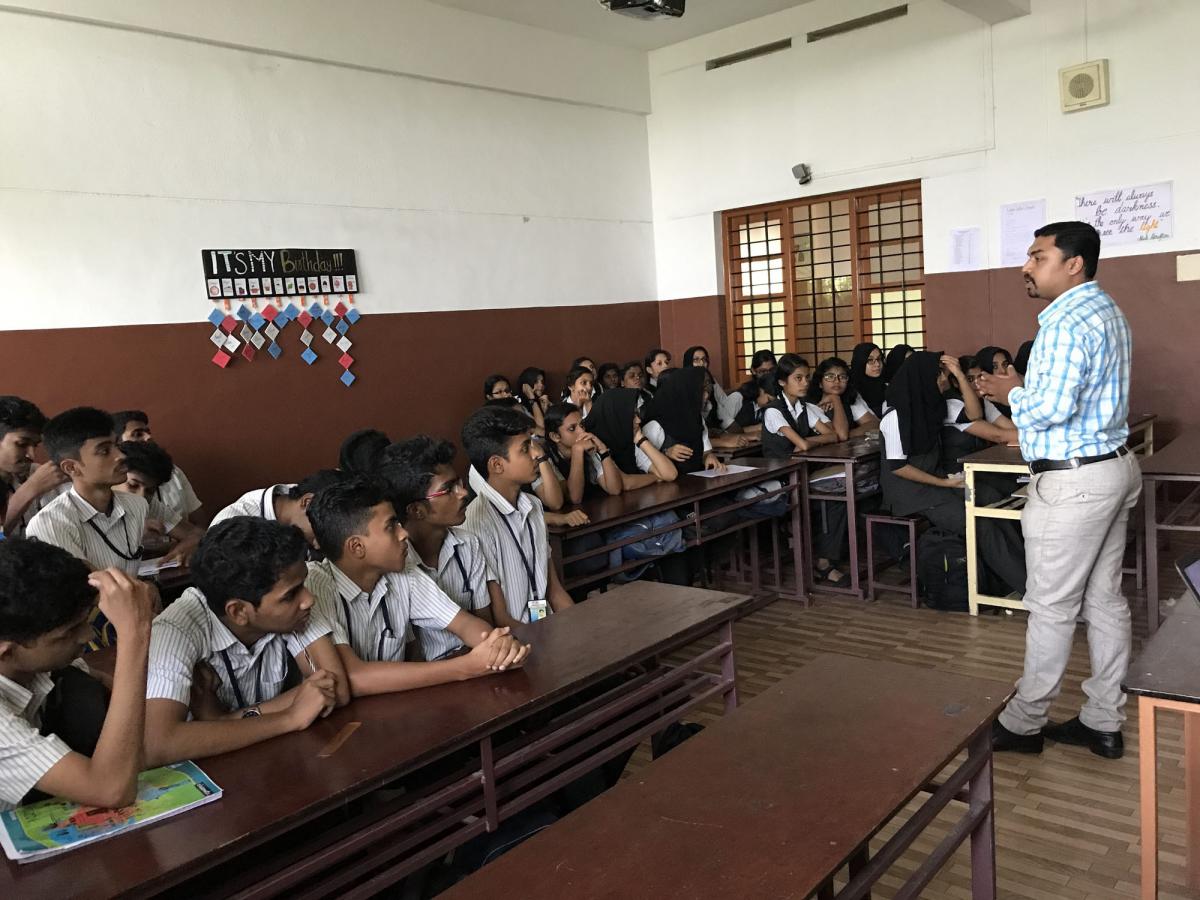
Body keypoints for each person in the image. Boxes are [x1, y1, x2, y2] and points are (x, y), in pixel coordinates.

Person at [980, 221, 1139, 760]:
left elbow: (1052, 408)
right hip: (1114, 467)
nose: (1026, 266)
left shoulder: (1066, 323)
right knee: (1105, 599)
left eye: (1037, 256)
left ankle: (1024, 723)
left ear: (1074, 264)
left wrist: (1012, 389)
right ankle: (1102, 720)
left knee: (1050, 606)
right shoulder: (1108, 310)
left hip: (1074, 481)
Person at [143, 517, 347, 765]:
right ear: (238, 612)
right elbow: (157, 744)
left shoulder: (294, 611)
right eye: (291, 595)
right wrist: (289, 717)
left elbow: (336, 687)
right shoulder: (175, 631)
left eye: (303, 585)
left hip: (274, 761)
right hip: (209, 773)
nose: (308, 599)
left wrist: (225, 721)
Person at [305, 477, 530, 686]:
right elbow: (354, 675)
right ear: (357, 547)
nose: (404, 534)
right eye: (391, 526)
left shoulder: (403, 574)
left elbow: (464, 624)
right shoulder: (316, 585)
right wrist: (465, 667)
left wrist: (497, 645)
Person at [0, 541, 154, 811]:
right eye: (68, 633)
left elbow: (129, 716)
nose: (88, 636)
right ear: (6, 651)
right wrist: (134, 635)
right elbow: (110, 790)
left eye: (84, 621)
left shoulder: (41, 667)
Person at [879, 353, 1026, 597]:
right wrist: (944, 483)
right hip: (910, 492)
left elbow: (975, 414)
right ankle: (1029, 589)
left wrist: (959, 374)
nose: (943, 382)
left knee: (995, 504)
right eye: (939, 376)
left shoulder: (935, 406)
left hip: (938, 483)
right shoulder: (895, 416)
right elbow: (898, 467)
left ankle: (1019, 577)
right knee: (982, 525)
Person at [461, 406, 575, 626]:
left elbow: (554, 590)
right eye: (524, 449)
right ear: (497, 465)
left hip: (547, 626)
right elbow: (500, 619)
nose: (536, 454)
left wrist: (578, 630)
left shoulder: (533, 506)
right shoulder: (477, 523)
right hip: (517, 640)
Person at [27, 408, 148, 580]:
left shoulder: (137, 504)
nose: (120, 455)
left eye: (117, 445)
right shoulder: (51, 523)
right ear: (71, 467)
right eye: (104, 451)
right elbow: (91, 591)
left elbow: (189, 532)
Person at [760, 353, 849, 584]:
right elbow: (802, 443)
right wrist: (809, 442)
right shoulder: (773, 411)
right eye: (798, 378)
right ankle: (823, 562)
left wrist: (812, 442)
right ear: (782, 381)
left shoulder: (804, 408)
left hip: (801, 472)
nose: (805, 383)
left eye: (807, 378)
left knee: (839, 491)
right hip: (781, 477)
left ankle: (824, 559)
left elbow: (834, 435)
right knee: (835, 496)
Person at [112, 410, 204, 529]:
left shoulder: (173, 472)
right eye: (138, 434)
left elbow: (198, 526)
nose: (148, 437)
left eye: (151, 491)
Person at [209, 469, 345, 549]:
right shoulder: (231, 524)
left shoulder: (317, 497)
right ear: (307, 503)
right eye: (323, 532)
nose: (318, 546)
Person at [114, 440, 201, 564]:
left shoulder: (150, 504)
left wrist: (187, 545)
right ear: (114, 476)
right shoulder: (83, 506)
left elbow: (198, 534)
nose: (141, 497)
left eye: (150, 491)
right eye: (133, 485)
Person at [639, 367, 725, 475]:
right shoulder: (655, 425)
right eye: (700, 392)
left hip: (696, 480)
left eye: (706, 391)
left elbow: (705, 451)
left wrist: (709, 457)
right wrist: (666, 452)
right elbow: (642, 463)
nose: (706, 396)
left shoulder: (697, 418)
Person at [0, 395, 65, 537]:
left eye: (34, 446)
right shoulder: (37, 480)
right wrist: (30, 489)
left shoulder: (36, 472)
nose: (31, 455)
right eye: (22, 444)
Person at [542, 403, 623, 505]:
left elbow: (615, 489)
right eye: (572, 428)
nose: (582, 431)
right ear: (555, 436)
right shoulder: (546, 457)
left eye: (581, 425)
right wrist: (577, 450)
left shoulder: (588, 445)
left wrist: (603, 451)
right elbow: (575, 498)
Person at [808, 356, 879, 436]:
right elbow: (840, 435)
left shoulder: (850, 399)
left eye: (842, 377)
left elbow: (875, 423)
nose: (837, 381)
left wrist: (849, 434)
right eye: (830, 377)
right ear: (820, 383)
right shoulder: (809, 404)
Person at [973, 346, 1015, 416]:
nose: (1003, 371)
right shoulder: (985, 402)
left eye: (1005, 365)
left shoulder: (1017, 392)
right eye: (994, 367)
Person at [848, 343, 887, 418]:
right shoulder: (851, 391)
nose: (877, 364)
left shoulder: (888, 387)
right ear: (860, 362)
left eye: (879, 359)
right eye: (870, 360)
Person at [515, 367, 551, 432]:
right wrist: (531, 398)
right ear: (526, 385)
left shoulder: (543, 401)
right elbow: (541, 427)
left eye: (542, 382)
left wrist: (546, 410)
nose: (541, 385)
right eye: (535, 382)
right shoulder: (519, 406)